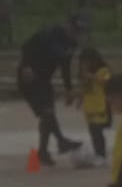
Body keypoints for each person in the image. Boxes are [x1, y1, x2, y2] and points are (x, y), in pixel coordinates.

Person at [17, 13, 87, 165]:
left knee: (47, 114)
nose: (75, 33)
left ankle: (45, 151)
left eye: (79, 31)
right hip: (29, 78)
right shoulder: (49, 34)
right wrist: (25, 66)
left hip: (44, 79)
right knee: (47, 113)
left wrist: (69, 89)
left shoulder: (71, 44)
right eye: (73, 29)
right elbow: (26, 46)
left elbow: (65, 66)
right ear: (66, 24)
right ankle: (59, 142)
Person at [76, 47, 113, 166]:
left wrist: (91, 76)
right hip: (89, 106)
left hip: (101, 105)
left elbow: (106, 83)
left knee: (97, 130)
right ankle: (98, 153)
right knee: (92, 131)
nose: (85, 64)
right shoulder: (84, 73)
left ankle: (102, 155)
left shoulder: (103, 70)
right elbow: (84, 87)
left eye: (87, 61)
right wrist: (80, 100)